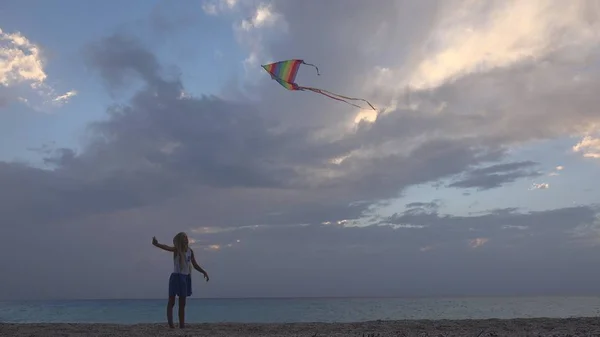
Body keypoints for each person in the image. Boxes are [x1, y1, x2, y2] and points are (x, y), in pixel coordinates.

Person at [152, 232, 209, 328]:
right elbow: (167, 247)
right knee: (172, 301)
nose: (186, 239)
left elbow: (194, 265)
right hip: (176, 277)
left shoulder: (190, 251)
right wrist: (157, 244)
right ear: (180, 240)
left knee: (182, 303)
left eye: (186, 237)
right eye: (183, 237)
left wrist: (204, 272)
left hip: (185, 278)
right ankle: (171, 324)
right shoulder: (177, 250)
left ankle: (182, 325)